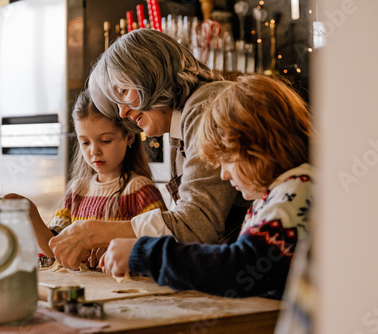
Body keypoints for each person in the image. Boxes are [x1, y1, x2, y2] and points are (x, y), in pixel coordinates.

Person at [49, 28, 251, 269]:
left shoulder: (205, 107)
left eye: (124, 92)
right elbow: (184, 232)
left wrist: (98, 231)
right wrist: (125, 239)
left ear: (151, 74)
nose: (122, 112)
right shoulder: (180, 130)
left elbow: (196, 226)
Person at [99, 74, 314, 299]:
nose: (224, 174)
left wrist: (144, 254)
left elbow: (238, 267)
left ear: (259, 145)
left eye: (227, 159)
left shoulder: (298, 189)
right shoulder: (273, 198)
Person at [5, 90, 167, 266]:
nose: (94, 151)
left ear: (128, 137)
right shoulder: (78, 190)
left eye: (105, 140)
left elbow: (164, 247)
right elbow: (55, 248)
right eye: (85, 142)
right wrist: (31, 213)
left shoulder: (140, 191)